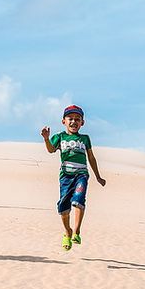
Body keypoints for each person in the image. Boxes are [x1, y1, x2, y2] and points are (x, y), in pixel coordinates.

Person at [41, 105, 106, 251]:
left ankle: (76, 231)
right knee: (63, 208)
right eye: (70, 118)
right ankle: (67, 232)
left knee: (78, 200)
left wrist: (98, 177)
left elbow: (91, 157)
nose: (74, 122)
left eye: (78, 119)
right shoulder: (60, 137)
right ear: (63, 121)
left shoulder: (85, 139)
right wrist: (46, 139)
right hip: (65, 177)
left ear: (82, 122)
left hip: (81, 174)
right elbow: (51, 150)